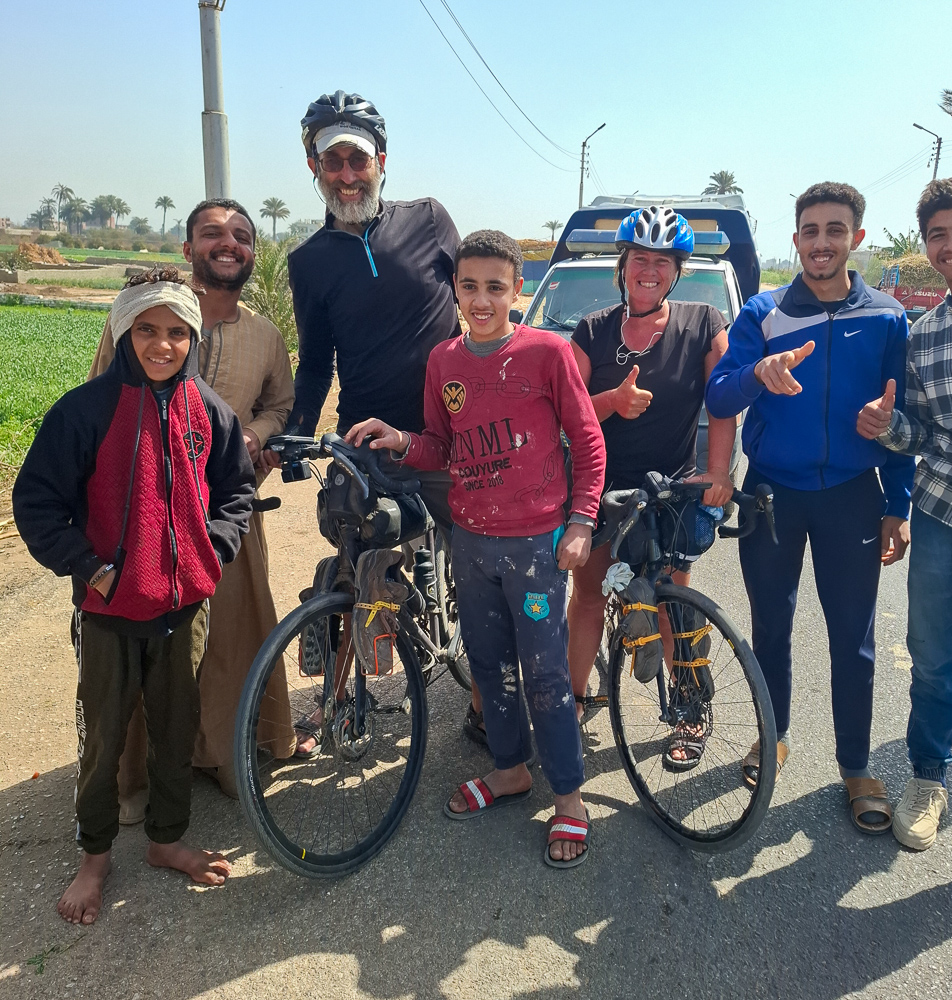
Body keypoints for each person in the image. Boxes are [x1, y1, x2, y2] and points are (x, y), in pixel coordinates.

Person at [345, 230, 606, 867]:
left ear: (519, 289)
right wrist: (400, 440)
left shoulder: (548, 353)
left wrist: (581, 522)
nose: (482, 299)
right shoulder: (444, 362)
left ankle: (569, 797)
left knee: (545, 674)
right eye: (470, 287)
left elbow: (588, 440)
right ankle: (511, 769)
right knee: (487, 666)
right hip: (473, 541)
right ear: (455, 291)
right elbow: (442, 444)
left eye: (496, 286)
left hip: (537, 546)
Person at [12, 270, 255, 924]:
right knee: (105, 737)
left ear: (193, 338)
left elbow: (236, 493)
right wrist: (89, 568)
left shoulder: (211, 410)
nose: (163, 344)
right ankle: (94, 855)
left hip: (184, 612)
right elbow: (36, 503)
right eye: (147, 329)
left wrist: (213, 551)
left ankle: (166, 839)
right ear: (123, 331)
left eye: (178, 332)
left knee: (176, 727)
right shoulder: (83, 412)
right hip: (108, 613)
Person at [706, 182, 915, 835]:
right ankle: (774, 737)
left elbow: (901, 418)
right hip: (773, 493)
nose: (821, 242)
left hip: (853, 498)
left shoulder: (886, 316)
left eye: (835, 230)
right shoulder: (764, 314)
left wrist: (898, 501)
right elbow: (718, 394)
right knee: (771, 628)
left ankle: (855, 766)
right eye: (810, 231)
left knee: (853, 639)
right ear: (795, 240)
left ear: (856, 237)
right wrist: (756, 375)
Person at [285, 90, 483, 752]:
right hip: (367, 440)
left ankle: (487, 703)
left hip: (450, 438)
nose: (347, 175)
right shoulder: (308, 262)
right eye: (332, 160)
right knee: (355, 560)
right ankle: (337, 698)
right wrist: (294, 430)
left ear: (382, 160)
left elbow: (480, 307)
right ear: (312, 164)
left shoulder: (429, 221)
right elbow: (315, 364)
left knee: (481, 568)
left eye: (358, 160)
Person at [89, 199, 296, 802]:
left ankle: (223, 755)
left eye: (241, 236)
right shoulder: (136, 320)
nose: (227, 244)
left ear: (252, 255)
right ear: (187, 250)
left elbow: (279, 404)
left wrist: (253, 437)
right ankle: (134, 778)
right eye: (212, 234)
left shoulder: (265, 336)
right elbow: (102, 396)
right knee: (141, 647)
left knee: (230, 644)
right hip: (141, 517)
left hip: (225, 518)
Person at [857, 175, 952, 850]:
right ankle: (927, 780)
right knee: (934, 665)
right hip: (944, 513)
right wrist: (887, 427)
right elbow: (920, 434)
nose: (951, 246)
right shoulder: (924, 334)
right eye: (936, 235)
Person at [567, 206, 736, 765]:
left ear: (677, 271)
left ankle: (690, 707)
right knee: (588, 596)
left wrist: (717, 471)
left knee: (670, 603)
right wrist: (611, 402)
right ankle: (572, 700)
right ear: (624, 263)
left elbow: (724, 398)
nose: (649, 270)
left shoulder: (704, 322)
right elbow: (564, 410)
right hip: (599, 486)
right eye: (640, 258)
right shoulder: (592, 330)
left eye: (662, 262)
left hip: (669, 490)